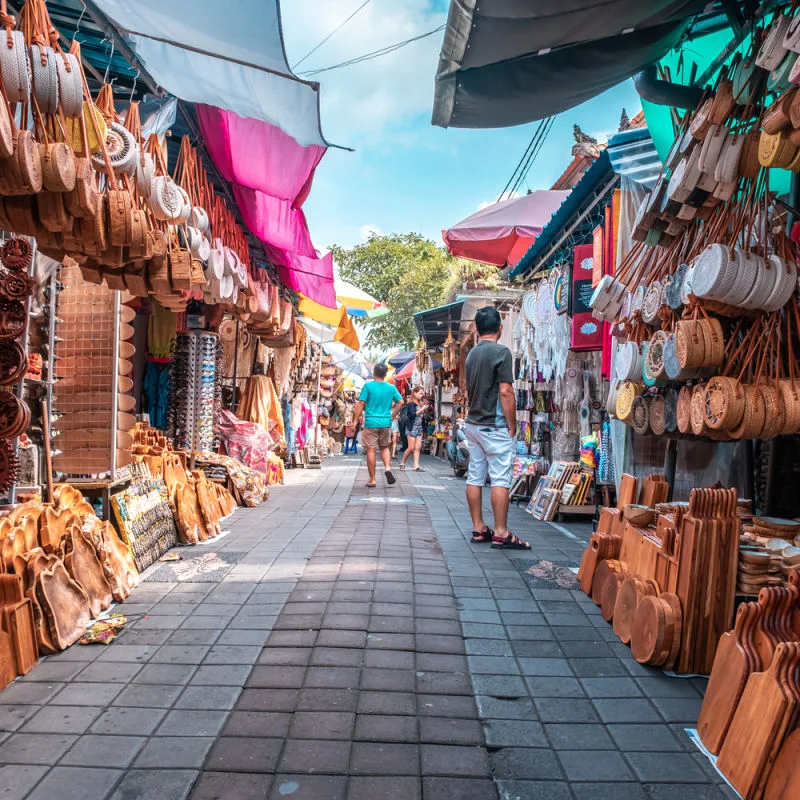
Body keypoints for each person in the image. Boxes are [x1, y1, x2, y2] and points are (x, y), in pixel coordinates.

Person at [464, 306, 531, 550]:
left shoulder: (471, 354)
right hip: (494, 425)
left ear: (476, 329)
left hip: (473, 424)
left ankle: (479, 527)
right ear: (500, 328)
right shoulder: (502, 352)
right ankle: (501, 531)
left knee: (475, 475)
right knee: (500, 478)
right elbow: (506, 391)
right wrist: (512, 425)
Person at [354, 363, 403, 488]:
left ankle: (373, 480)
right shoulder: (391, 387)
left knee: (371, 450)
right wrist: (392, 415)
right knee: (384, 447)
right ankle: (387, 468)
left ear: (374, 373)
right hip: (386, 423)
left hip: (371, 423)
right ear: (385, 374)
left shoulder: (368, 386)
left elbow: (360, 403)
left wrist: (355, 420)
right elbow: (401, 402)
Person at [400, 385, 429, 472]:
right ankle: (402, 463)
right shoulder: (411, 403)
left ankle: (416, 466)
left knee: (418, 447)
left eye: (422, 393)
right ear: (415, 393)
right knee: (411, 447)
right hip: (411, 427)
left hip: (419, 427)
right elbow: (412, 415)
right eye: (420, 393)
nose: (421, 395)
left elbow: (421, 417)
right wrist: (422, 409)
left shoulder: (420, 403)